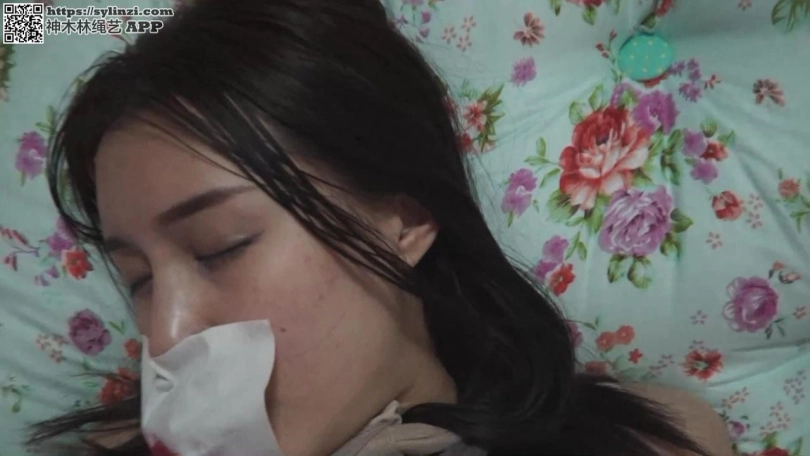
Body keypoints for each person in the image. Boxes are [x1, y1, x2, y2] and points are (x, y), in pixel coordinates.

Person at [29, 0, 734, 455]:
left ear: (406, 218)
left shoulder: (643, 441)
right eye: (140, 280)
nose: (166, 336)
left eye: (221, 247)